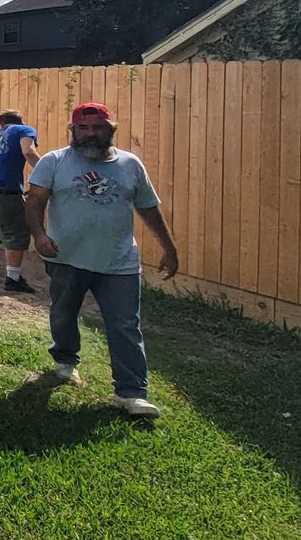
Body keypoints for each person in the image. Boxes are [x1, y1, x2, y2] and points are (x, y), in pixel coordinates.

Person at [25, 102, 181, 419]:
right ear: (73, 132)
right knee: (64, 313)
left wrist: (169, 247)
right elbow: (35, 200)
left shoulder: (130, 164)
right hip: (66, 257)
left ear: (111, 129)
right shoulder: (54, 162)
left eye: (98, 127)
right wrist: (40, 236)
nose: (90, 134)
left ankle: (132, 393)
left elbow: (148, 208)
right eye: (83, 128)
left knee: (125, 325)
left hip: (119, 261)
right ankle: (65, 360)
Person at [0, 109, 41, 291]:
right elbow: (28, 152)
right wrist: (47, 173)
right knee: (16, 233)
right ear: (20, 120)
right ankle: (13, 278)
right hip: (5, 189)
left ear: (0, 123)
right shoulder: (24, 130)